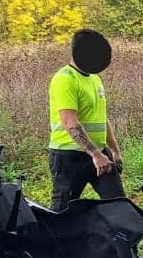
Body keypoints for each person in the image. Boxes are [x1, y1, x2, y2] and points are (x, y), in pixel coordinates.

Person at [47, 29, 124, 211]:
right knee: (61, 213)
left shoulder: (95, 79)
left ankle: (116, 239)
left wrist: (114, 150)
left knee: (120, 206)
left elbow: (101, 118)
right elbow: (69, 123)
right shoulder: (65, 79)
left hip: (100, 155)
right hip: (68, 158)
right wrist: (95, 154)